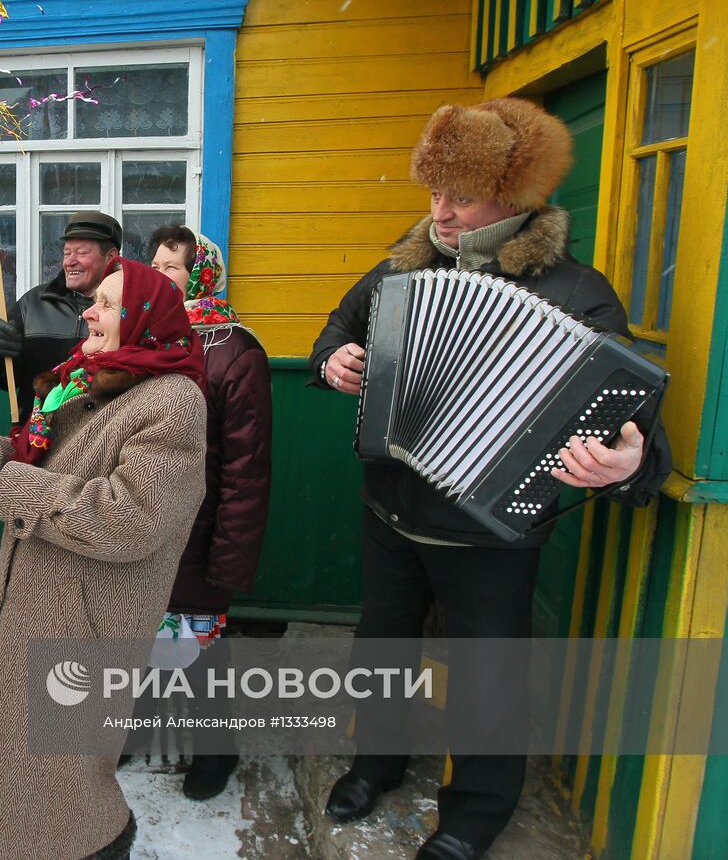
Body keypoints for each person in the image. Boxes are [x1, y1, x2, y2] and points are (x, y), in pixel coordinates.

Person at [309, 98, 672, 860]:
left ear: (513, 198)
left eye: (458, 195)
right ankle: (376, 762)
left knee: (488, 679)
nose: (439, 212)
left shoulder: (577, 291)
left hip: (492, 528)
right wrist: (331, 361)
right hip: (393, 507)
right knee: (382, 649)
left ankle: (474, 812)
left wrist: (629, 461)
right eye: (432, 191)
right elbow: (337, 328)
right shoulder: (402, 268)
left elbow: (628, 406)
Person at [0, 258, 208, 860]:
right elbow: (59, 456)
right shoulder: (95, 378)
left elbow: (130, 518)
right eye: (96, 301)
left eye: (107, 304)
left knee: (64, 779)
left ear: (143, 318)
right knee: (19, 765)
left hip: (87, 621)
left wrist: (9, 490)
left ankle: (95, 847)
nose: (88, 310)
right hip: (40, 601)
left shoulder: (172, 402)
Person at [141, 225, 272, 800]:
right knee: (136, 635)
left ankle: (216, 751)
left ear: (201, 275)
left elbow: (246, 471)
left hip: (200, 535)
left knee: (197, 654)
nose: (158, 276)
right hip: (143, 524)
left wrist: (229, 558)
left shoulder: (234, 350)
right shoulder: (144, 339)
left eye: (172, 268)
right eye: (155, 266)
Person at [0, 211, 122, 421]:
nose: (70, 262)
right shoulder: (33, 304)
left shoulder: (128, 309)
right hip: (37, 440)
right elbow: (2, 378)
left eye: (81, 253)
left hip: (100, 438)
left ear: (110, 257)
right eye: (66, 253)